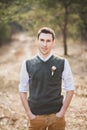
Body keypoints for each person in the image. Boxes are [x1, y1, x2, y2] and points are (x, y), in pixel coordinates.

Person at [19, 27, 75, 130]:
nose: (45, 44)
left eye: (48, 41)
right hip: (36, 116)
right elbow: (22, 90)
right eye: (42, 40)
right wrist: (29, 114)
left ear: (53, 42)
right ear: (37, 41)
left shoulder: (62, 62)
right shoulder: (27, 63)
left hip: (56, 115)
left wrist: (62, 113)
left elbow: (70, 89)